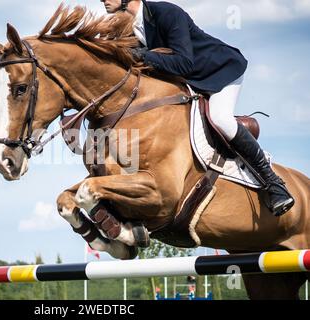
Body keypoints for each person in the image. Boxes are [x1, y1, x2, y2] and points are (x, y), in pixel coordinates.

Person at [100, 0, 294, 216]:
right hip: (188, 83)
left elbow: (184, 62)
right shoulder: (123, 27)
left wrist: (140, 55)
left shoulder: (166, 13)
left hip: (220, 72)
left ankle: (274, 183)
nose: (102, 0)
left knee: (220, 118)